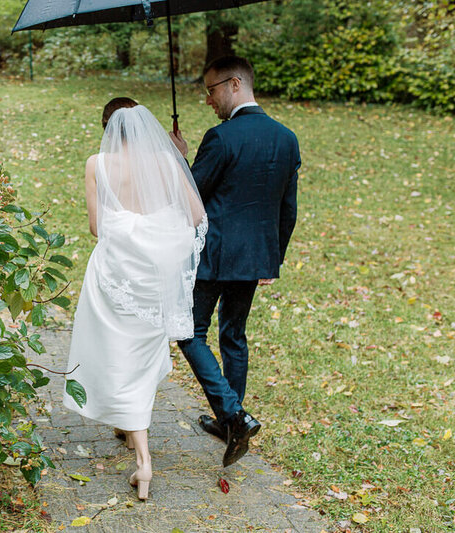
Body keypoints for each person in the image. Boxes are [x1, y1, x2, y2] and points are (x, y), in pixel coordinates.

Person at [63, 98, 207, 500]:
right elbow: (196, 217)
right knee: (141, 361)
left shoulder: (97, 164)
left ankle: (143, 462)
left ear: (107, 128)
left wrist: (128, 225)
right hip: (153, 280)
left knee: (118, 355)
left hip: (115, 278)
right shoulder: (166, 160)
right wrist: (177, 162)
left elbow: (97, 227)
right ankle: (131, 431)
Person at [169, 56, 301, 467]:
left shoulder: (220, 138)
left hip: (215, 252)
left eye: (210, 90)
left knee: (190, 332)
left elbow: (191, 194)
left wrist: (177, 157)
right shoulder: (287, 138)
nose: (208, 100)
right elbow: (288, 207)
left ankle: (234, 415)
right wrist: (271, 259)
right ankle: (230, 422)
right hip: (254, 255)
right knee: (234, 336)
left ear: (234, 84)